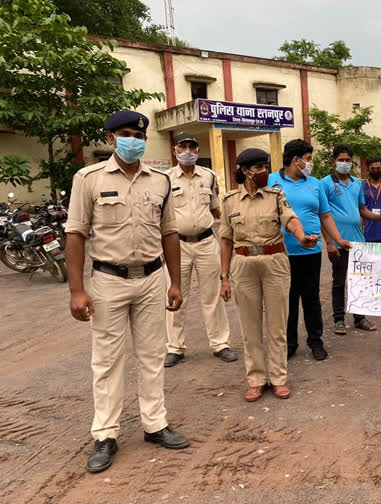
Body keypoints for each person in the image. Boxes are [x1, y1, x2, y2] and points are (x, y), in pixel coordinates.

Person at [65, 110, 189, 474]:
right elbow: (76, 234)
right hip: (108, 281)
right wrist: (77, 290)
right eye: (124, 133)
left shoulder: (161, 181)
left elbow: (169, 233)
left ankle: (155, 424)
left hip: (152, 279)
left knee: (152, 355)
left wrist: (176, 282)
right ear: (110, 138)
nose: (132, 139)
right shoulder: (88, 178)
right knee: (107, 360)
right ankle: (105, 434)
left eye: (138, 133)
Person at [219, 148, 317, 401]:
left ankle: (278, 378)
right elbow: (226, 240)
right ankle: (256, 379)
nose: (264, 172)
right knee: (249, 326)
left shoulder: (276, 195)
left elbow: (291, 219)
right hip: (243, 263)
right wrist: (224, 276)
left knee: (277, 324)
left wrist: (302, 236)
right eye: (259, 168)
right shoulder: (229, 200)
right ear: (244, 170)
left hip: (274, 262)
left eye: (265, 167)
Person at [268, 139, 351, 361]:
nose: (310, 163)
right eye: (308, 159)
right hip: (282, 254)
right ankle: (290, 342)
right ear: (296, 160)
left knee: (311, 298)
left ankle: (315, 341)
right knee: (288, 299)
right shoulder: (271, 181)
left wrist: (338, 240)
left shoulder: (314, 184)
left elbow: (325, 216)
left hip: (310, 253)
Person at [164, 132, 236, 368]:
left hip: (206, 242)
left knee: (212, 296)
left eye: (192, 148)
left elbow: (216, 210)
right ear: (175, 150)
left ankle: (220, 344)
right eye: (182, 147)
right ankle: (175, 347)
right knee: (175, 296)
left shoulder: (209, 176)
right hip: (178, 245)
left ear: (197, 151)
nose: (187, 151)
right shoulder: (165, 180)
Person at [320, 144, 381, 335]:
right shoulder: (325, 184)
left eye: (348, 160)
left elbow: (362, 210)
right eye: (341, 160)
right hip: (339, 241)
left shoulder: (357, 183)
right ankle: (339, 320)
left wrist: (380, 217)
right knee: (339, 281)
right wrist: (330, 243)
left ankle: (360, 318)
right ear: (334, 161)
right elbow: (322, 215)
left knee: (361, 281)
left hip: (359, 241)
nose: (345, 163)